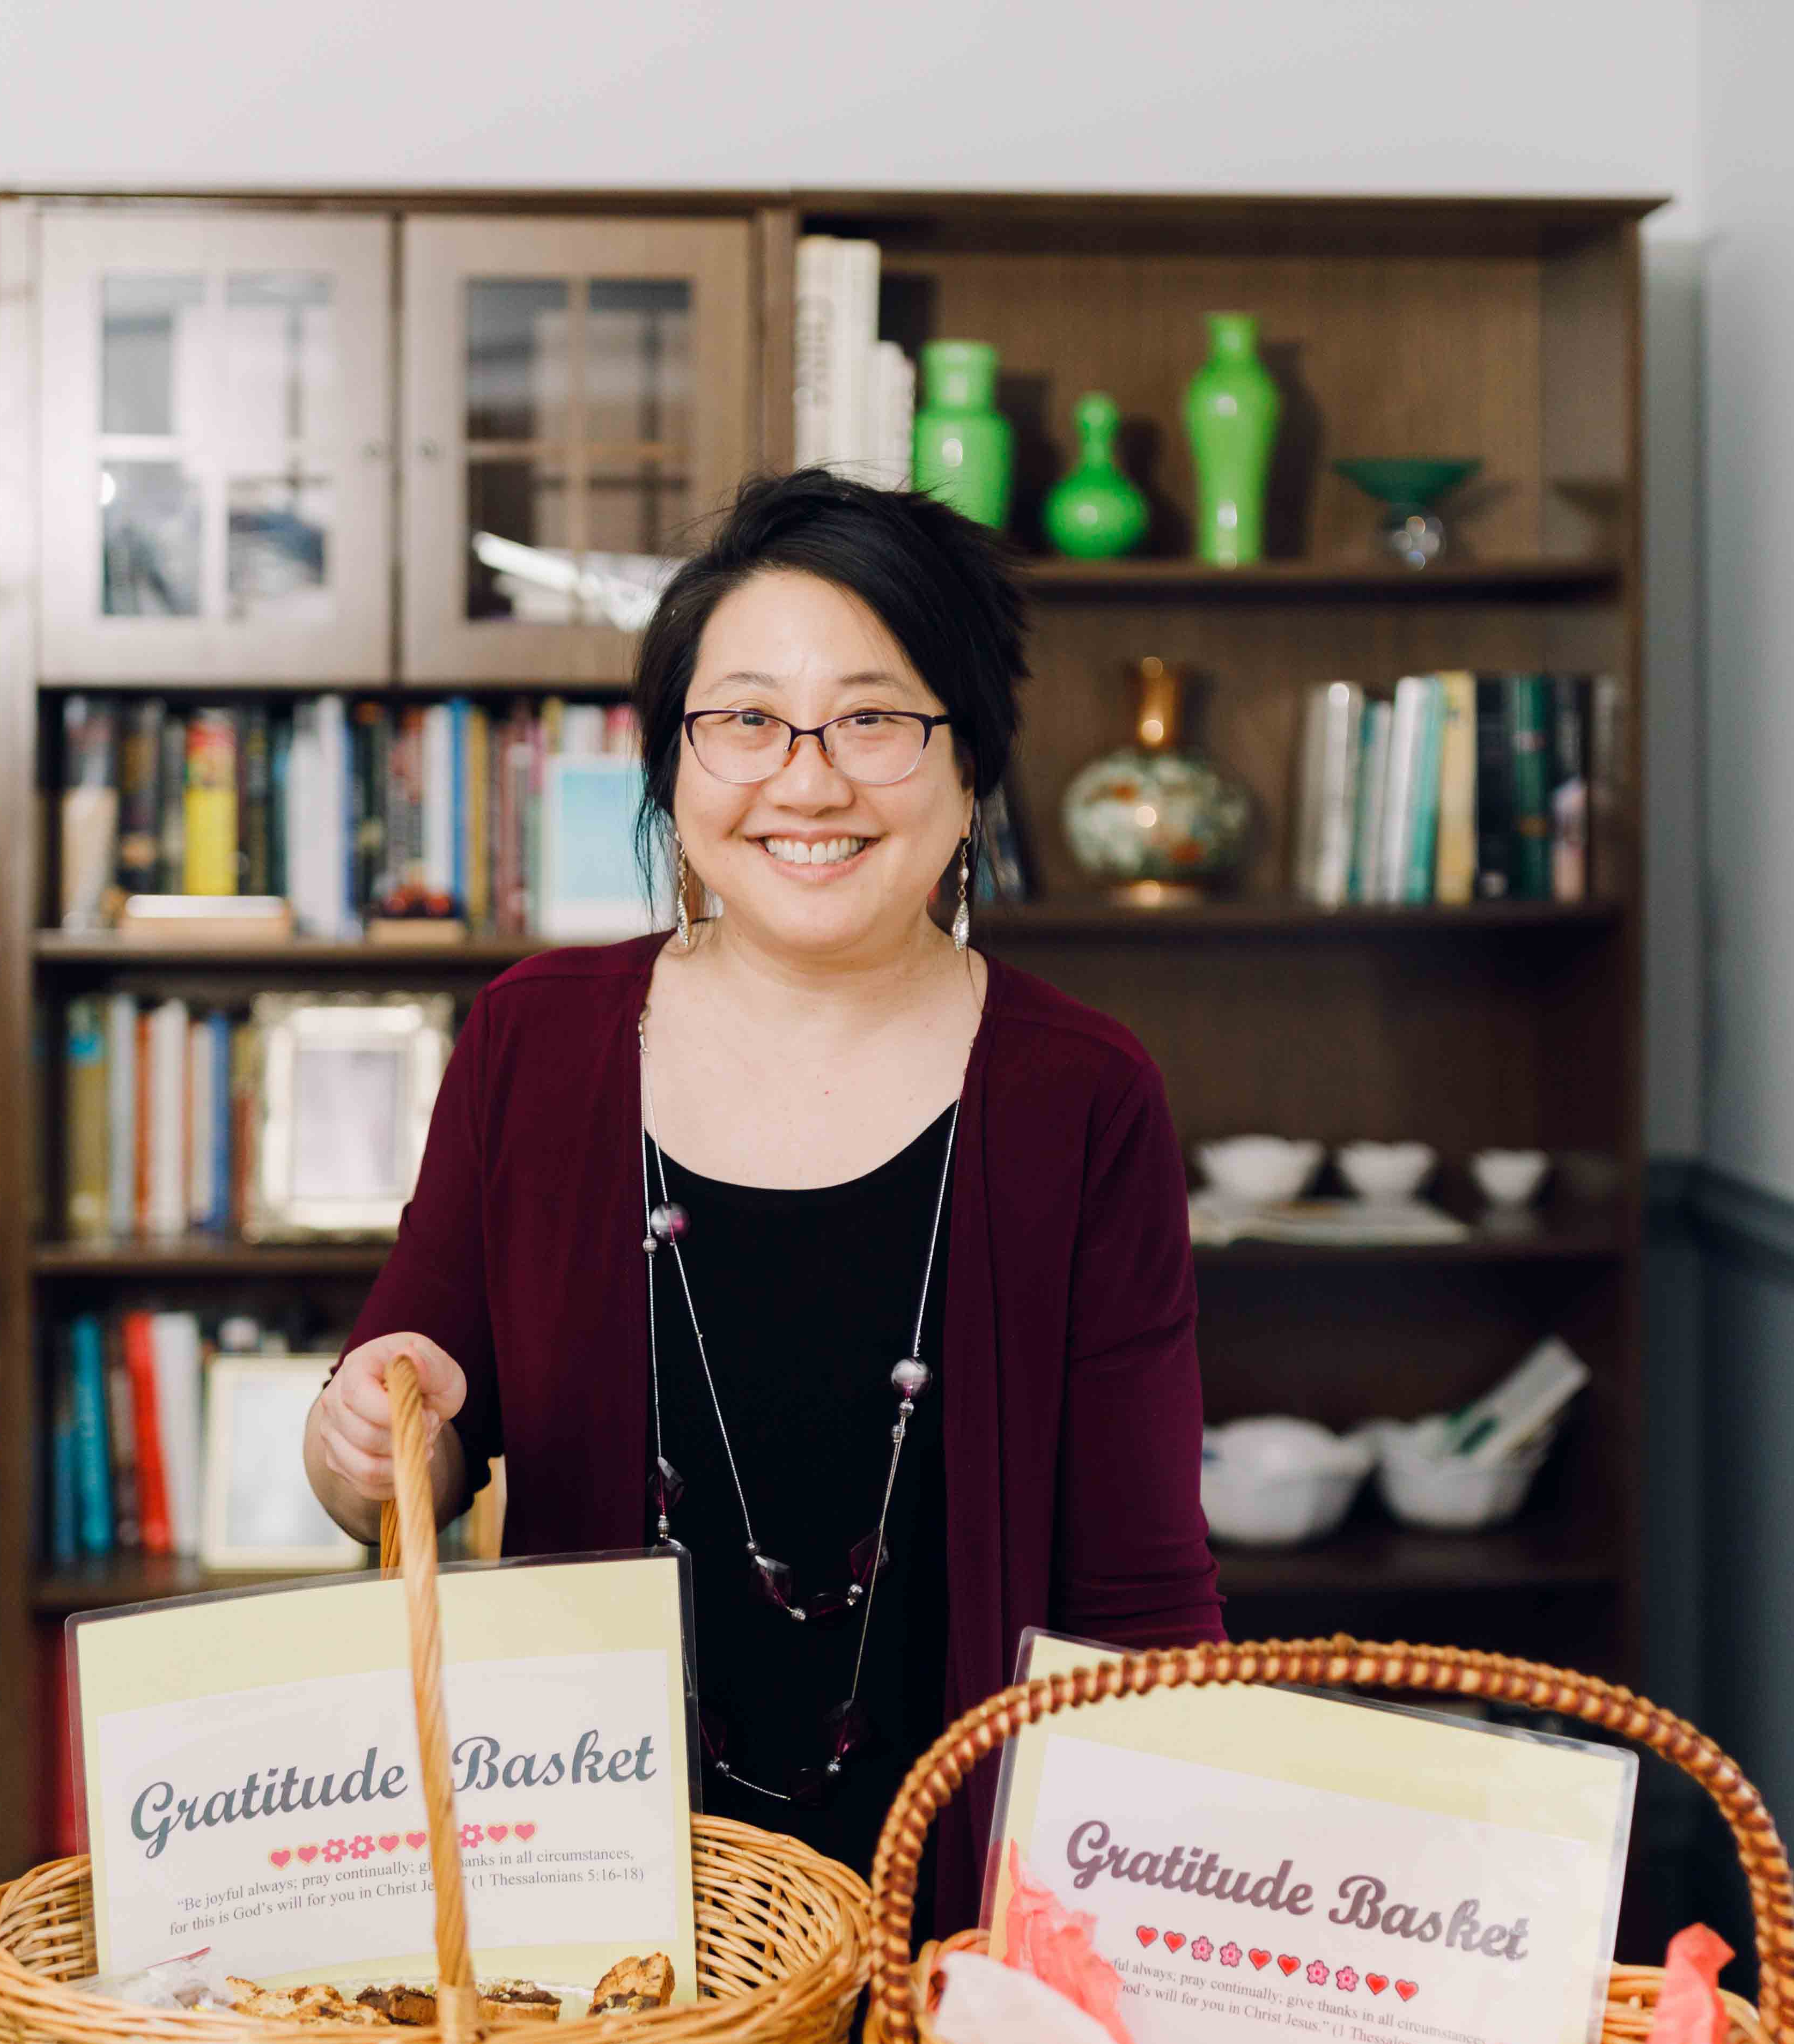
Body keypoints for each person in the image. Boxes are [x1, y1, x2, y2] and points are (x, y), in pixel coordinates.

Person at [304, 468, 1224, 1938]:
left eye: (873, 716)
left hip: (968, 1947)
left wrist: (1150, 1955)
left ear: (972, 760)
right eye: (744, 719)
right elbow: (383, 1464)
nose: (808, 778)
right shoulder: (537, 1043)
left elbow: (1144, 1588)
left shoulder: (1080, 1092)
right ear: (670, 766)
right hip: (608, 1946)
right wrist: (369, 1420)